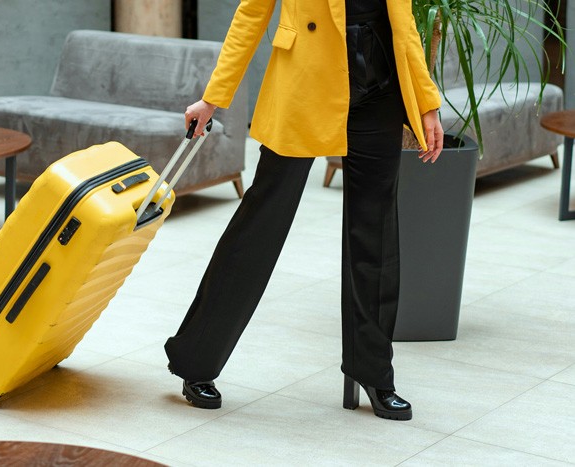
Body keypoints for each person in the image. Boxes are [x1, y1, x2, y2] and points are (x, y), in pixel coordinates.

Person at [164, 0, 443, 421]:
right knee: (260, 224)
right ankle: (196, 362)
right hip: (306, 87)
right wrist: (213, 98)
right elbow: (250, 16)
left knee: (377, 235)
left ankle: (374, 373)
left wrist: (425, 102)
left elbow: (403, 25)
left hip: (379, 92)